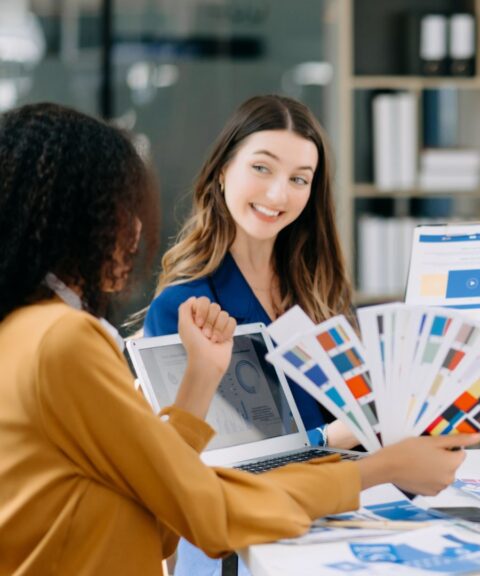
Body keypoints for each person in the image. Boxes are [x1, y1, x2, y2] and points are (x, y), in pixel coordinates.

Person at [0, 102, 479, 576]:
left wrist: (203, 375)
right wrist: (381, 466)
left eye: (299, 178)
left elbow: (163, 501)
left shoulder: (34, 331)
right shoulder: (67, 339)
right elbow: (204, 506)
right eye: (121, 209)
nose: (137, 230)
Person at [141, 95, 364, 574]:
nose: (279, 194)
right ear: (222, 170)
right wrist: (331, 436)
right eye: (262, 168)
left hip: (331, 535)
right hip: (238, 554)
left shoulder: (322, 295)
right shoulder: (184, 308)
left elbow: (363, 415)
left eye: (299, 179)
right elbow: (198, 472)